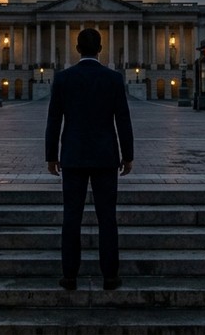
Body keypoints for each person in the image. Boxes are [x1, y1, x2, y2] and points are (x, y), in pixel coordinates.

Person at [45, 28, 134, 291]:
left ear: (77, 48)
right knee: (108, 219)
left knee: (71, 218)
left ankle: (69, 276)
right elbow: (123, 120)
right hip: (106, 158)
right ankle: (110, 277)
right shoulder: (113, 79)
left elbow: (54, 120)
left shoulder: (63, 78)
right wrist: (127, 156)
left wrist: (51, 156)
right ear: (100, 48)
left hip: (72, 157)